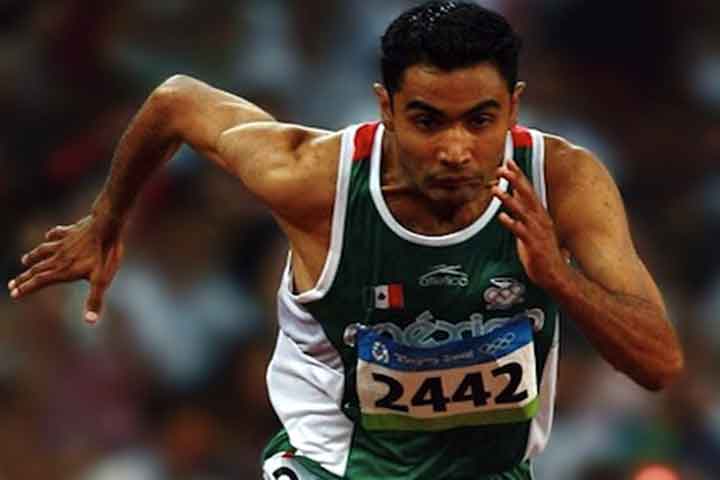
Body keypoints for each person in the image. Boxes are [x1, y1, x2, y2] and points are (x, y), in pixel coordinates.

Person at [7, 1, 684, 479]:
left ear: (514, 106)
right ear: (385, 107)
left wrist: (559, 278)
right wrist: (105, 221)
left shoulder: (563, 180)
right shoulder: (313, 177)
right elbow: (176, 101)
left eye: (480, 121)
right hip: (332, 466)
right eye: (428, 121)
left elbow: (659, 361)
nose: (455, 149)